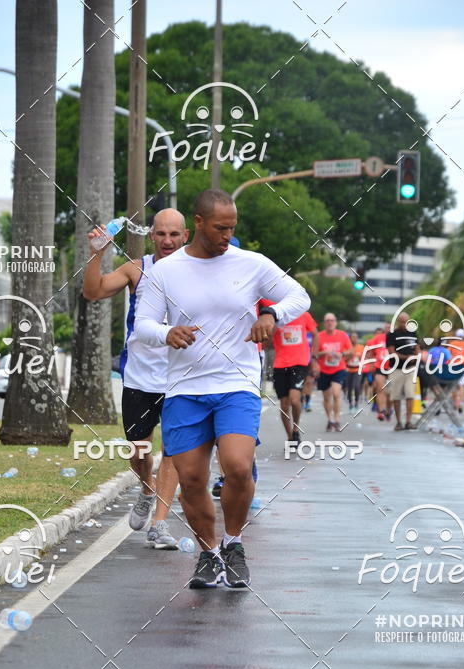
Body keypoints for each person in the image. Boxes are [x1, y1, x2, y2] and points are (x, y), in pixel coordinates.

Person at [135, 188, 309, 589]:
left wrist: (271, 313)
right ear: (197, 223)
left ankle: (234, 543)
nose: (227, 235)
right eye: (220, 228)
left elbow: (300, 296)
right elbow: (143, 325)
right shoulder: (166, 271)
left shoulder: (250, 263)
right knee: (192, 480)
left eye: (232, 227)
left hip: (236, 384)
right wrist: (167, 333)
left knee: (237, 465)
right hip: (184, 388)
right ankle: (209, 553)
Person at [83, 208, 189, 548]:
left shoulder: (196, 271)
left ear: (185, 236)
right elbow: (94, 292)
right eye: (161, 234)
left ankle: (160, 523)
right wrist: (97, 253)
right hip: (140, 376)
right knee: (139, 449)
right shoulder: (137, 269)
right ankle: (146, 488)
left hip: (181, 378)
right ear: (151, 235)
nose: (168, 241)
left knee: (172, 450)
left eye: (174, 234)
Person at [259, 298, 317, 445]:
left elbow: (315, 334)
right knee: (284, 405)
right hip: (280, 364)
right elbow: (266, 343)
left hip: (300, 363)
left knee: (295, 400)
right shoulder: (276, 317)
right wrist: (272, 330)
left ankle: (296, 429)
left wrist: (314, 357)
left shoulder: (303, 314)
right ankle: (290, 437)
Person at [315, 313, 352, 431]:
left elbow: (351, 350)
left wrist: (342, 354)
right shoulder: (319, 336)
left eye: (332, 320)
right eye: (327, 321)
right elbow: (314, 353)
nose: (330, 322)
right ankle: (330, 419)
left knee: (336, 393)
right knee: (326, 397)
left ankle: (337, 419)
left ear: (335, 322)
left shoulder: (342, 335)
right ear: (324, 323)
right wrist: (324, 353)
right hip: (323, 369)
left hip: (338, 368)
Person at [386, 312, 419, 430]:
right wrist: (406, 358)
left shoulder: (412, 333)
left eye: (406, 321)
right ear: (398, 322)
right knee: (396, 396)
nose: (404, 323)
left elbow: (416, 347)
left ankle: (408, 421)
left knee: (410, 395)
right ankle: (399, 421)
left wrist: (416, 356)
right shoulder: (392, 335)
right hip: (396, 369)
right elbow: (391, 352)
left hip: (410, 369)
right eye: (402, 321)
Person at [363, 327, 391, 421]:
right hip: (378, 367)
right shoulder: (376, 340)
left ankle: (388, 409)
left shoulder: (394, 339)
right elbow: (369, 352)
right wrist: (371, 363)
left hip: (391, 368)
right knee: (379, 389)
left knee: (389, 392)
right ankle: (380, 411)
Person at [345, 332, 364, 412]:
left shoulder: (361, 347)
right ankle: (350, 404)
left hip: (357, 369)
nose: (354, 339)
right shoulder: (347, 347)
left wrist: (360, 357)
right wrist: (350, 355)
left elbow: (364, 358)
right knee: (349, 387)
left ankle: (356, 402)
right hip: (348, 369)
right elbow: (344, 359)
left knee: (356, 386)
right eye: (353, 337)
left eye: (356, 337)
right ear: (350, 338)